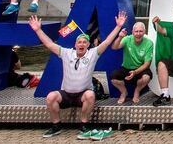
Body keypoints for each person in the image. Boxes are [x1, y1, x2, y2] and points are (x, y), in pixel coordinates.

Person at [29, 11, 127, 139]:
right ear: (75, 44)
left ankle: (84, 125)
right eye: (79, 42)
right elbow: (49, 44)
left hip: (82, 94)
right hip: (66, 93)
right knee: (50, 97)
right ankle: (56, 125)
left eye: (84, 42)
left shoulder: (93, 54)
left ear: (88, 45)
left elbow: (107, 42)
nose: (82, 44)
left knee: (90, 95)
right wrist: (38, 30)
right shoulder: (66, 53)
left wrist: (118, 26)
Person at [110, 22, 153, 104]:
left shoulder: (149, 43)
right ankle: (123, 92)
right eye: (136, 31)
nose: (138, 34)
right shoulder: (127, 39)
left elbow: (147, 64)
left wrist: (135, 72)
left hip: (139, 69)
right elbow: (114, 47)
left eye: (141, 31)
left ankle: (137, 91)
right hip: (126, 68)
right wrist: (119, 37)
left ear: (144, 32)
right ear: (132, 32)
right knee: (113, 78)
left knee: (147, 77)